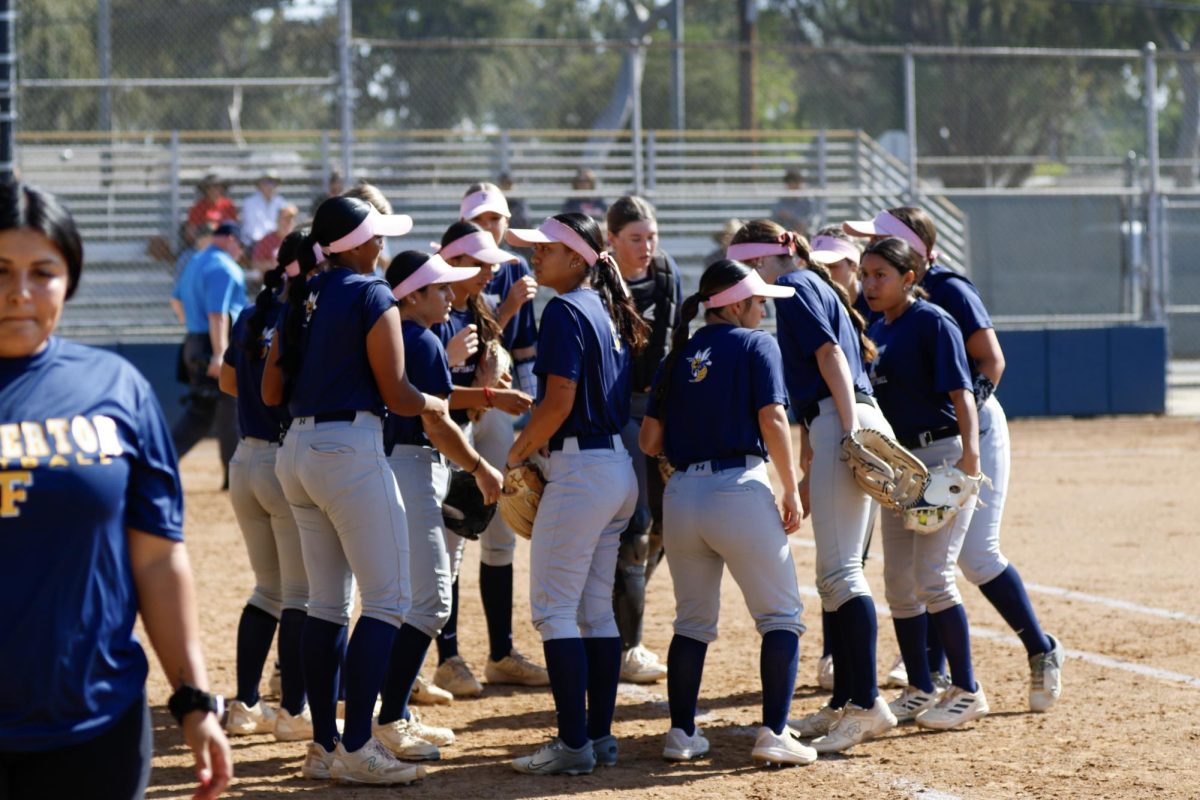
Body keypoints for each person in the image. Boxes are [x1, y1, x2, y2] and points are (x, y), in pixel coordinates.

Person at [0, 180, 232, 799]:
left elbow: (157, 558)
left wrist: (192, 698)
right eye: (0, 269)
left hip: (97, 733)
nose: (19, 291)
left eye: (42, 271)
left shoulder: (116, 389)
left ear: (68, 280)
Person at [261, 196, 448, 786]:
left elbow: (270, 393)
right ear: (358, 244)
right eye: (377, 237)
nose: (382, 246)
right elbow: (398, 395)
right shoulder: (372, 294)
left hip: (295, 451)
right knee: (389, 600)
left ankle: (324, 746)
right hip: (350, 448)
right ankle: (360, 743)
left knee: (325, 604)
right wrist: (438, 401)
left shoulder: (302, 295)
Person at [845, 207, 1062, 712]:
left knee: (970, 557)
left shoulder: (945, 294)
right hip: (914, 450)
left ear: (912, 261)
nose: (869, 270)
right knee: (911, 574)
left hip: (968, 430)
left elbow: (988, 364)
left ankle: (1038, 650)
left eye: (882, 247)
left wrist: (961, 440)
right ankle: (930, 680)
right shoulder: (879, 306)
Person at [639, 259, 818, 767]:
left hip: (682, 497)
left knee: (692, 622)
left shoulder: (676, 356)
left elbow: (650, 440)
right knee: (781, 616)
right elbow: (773, 417)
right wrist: (790, 488)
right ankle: (776, 732)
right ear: (735, 302)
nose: (762, 309)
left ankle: (681, 733)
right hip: (738, 487)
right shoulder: (757, 344)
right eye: (757, 300)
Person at [727, 219, 897, 755]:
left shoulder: (797, 286)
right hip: (838, 416)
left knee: (842, 573)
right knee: (835, 576)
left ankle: (868, 703)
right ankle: (849, 698)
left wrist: (848, 431)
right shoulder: (811, 283)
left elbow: (831, 358)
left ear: (757, 262)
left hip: (842, 415)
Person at [502, 213, 647, 775]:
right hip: (614, 470)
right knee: (592, 610)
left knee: (555, 611)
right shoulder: (600, 307)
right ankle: (599, 737)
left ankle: (571, 744)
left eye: (546, 249)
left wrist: (517, 453)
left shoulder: (563, 309)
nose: (536, 257)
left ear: (576, 257)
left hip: (581, 469)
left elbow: (558, 402)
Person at [376, 251, 509, 762]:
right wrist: (479, 465)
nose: (451, 297)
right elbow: (436, 419)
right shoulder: (423, 339)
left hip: (392, 463)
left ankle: (396, 713)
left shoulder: (392, 335)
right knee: (429, 600)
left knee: (406, 597)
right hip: (411, 465)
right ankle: (389, 718)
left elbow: (434, 400)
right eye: (440, 290)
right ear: (411, 295)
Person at [858, 236, 988, 731]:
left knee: (934, 576)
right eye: (866, 275)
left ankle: (968, 689)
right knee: (898, 584)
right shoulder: (879, 325)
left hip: (941, 456)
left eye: (880, 275)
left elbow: (963, 392)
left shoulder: (932, 320)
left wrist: (969, 459)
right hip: (904, 463)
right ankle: (920, 686)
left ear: (909, 278)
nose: (870, 284)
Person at [433, 184, 546, 695]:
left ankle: (500, 652)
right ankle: (448, 656)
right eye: (480, 220)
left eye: (496, 218)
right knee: (451, 535)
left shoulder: (508, 272)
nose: (491, 227)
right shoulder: (439, 292)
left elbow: (513, 356)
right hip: (454, 419)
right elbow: (435, 379)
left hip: (495, 412)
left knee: (497, 528)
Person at [217, 232, 312, 743]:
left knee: (268, 589)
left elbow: (228, 383)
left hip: (246, 459)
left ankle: (246, 704)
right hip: (283, 458)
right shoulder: (304, 315)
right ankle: (295, 711)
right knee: (301, 594)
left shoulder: (253, 313)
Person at [605, 196, 682, 684]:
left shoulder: (667, 275)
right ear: (612, 241)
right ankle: (626, 646)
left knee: (666, 531)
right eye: (636, 238)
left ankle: (614, 624)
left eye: (651, 237)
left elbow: (677, 339)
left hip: (662, 409)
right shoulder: (601, 281)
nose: (647, 247)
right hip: (619, 411)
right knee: (633, 533)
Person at [804, 224, 868, 691]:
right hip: (839, 434)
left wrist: (854, 437)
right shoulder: (827, 306)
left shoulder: (865, 310)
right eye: (821, 262)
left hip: (859, 436)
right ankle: (837, 662)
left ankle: (863, 689)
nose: (829, 272)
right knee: (839, 564)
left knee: (849, 566)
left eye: (838, 264)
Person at [171, 221, 246, 488]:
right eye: (239, 244)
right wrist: (219, 353)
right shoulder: (224, 266)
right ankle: (234, 477)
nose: (240, 251)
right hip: (215, 343)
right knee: (231, 409)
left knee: (201, 413)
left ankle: (161, 461)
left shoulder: (194, 261)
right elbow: (218, 314)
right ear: (229, 240)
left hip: (193, 340)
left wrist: (193, 326)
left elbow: (175, 301)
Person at [186, 172, 238, 245]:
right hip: (205, 243)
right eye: (212, 187)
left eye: (218, 187)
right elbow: (191, 231)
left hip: (225, 243)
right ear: (206, 190)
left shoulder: (228, 205)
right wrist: (199, 242)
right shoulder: (198, 207)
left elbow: (233, 227)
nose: (216, 190)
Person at [241, 171, 289, 248]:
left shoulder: (282, 203)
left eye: (273, 183)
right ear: (259, 185)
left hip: (275, 242)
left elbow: (284, 226)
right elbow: (251, 230)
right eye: (267, 182)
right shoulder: (249, 202)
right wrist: (267, 241)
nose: (270, 186)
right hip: (254, 242)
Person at [250, 204, 299, 275]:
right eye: (285, 219)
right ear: (277, 220)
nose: (289, 222)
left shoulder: (298, 240)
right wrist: (272, 265)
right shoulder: (267, 240)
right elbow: (255, 264)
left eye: (292, 219)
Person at [770, 167, 815, 236]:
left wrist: (792, 218)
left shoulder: (808, 201)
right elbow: (774, 221)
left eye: (795, 181)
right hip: (785, 236)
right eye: (789, 182)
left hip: (804, 235)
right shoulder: (781, 202)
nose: (792, 185)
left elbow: (810, 221)